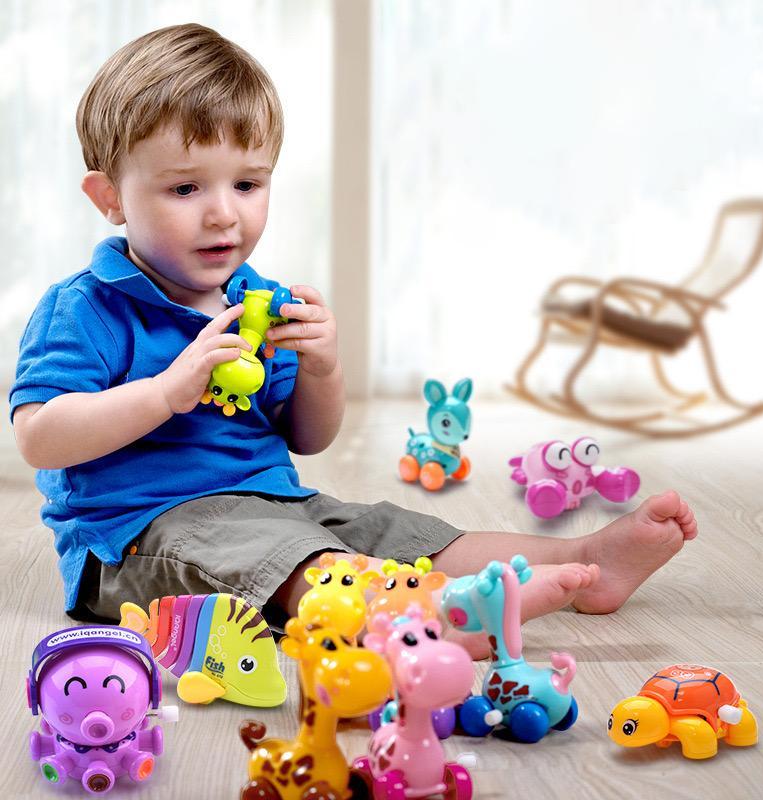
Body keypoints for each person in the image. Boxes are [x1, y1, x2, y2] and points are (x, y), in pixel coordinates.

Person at [10, 24, 697, 658]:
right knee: (305, 563)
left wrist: (321, 369)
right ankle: (425, 620)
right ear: (110, 197)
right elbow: (41, 438)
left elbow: (308, 438)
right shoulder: (86, 308)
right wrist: (164, 393)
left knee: (388, 533)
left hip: (277, 504)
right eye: (185, 188)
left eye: (247, 183)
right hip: (139, 537)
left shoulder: (256, 301)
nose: (224, 213)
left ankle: (584, 563)